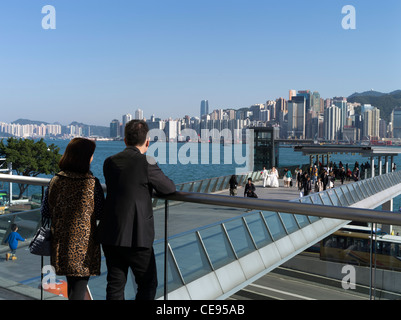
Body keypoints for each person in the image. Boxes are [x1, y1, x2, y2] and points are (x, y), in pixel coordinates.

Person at [98, 120, 176, 300]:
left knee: (115, 285)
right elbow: (168, 188)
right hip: (137, 235)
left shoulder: (109, 162)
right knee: (147, 283)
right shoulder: (146, 161)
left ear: (124, 140)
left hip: (111, 233)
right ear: (147, 142)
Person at [41, 137, 104, 300]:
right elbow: (100, 212)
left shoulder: (55, 180)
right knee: (79, 288)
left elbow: (46, 211)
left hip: (61, 242)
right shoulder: (91, 183)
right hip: (84, 246)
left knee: (73, 288)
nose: (92, 158)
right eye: (91, 154)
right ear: (84, 157)